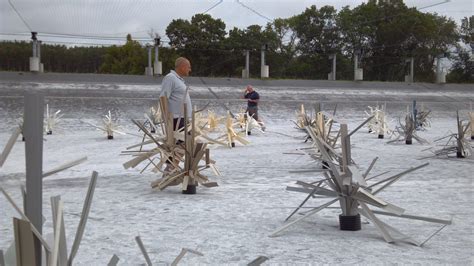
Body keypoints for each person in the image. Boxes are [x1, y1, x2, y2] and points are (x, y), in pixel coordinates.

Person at [159, 57, 192, 177]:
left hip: (182, 118)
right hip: (176, 119)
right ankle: (170, 169)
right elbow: (163, 97)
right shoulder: (170, 78)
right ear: (182, 67)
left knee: (183, 144)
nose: (190, 69)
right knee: (181, 143)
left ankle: (172, 168)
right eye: (188, 67)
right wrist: (166, 118)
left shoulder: (179, 80)